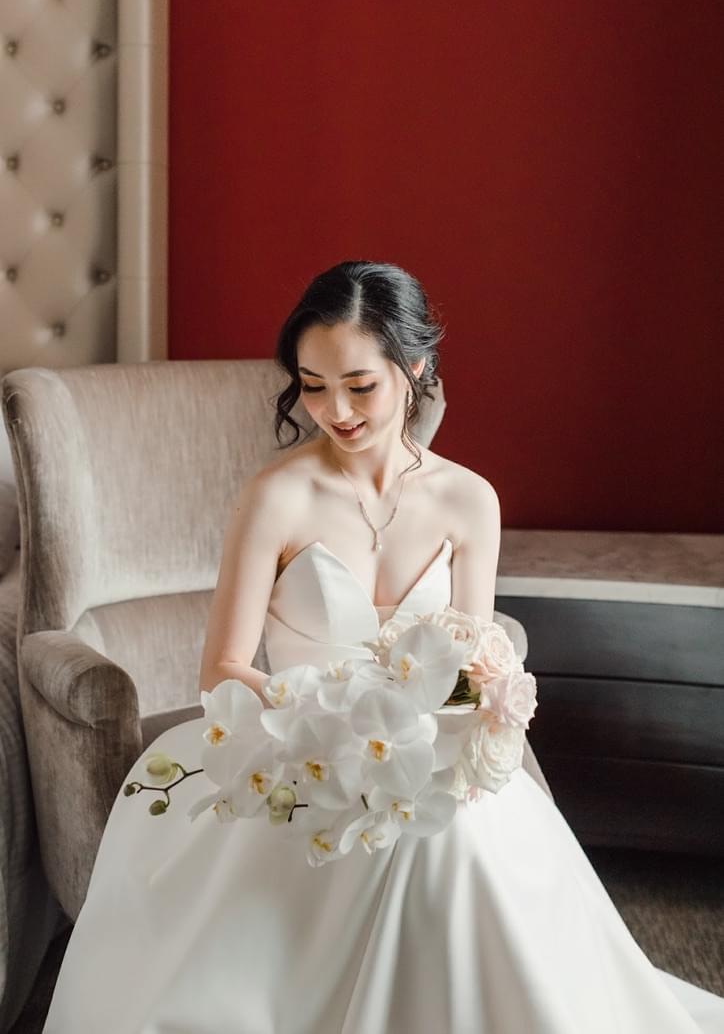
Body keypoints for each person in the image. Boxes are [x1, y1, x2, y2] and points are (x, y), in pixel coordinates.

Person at [43, 261, 724, 1033]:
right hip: (293, 751)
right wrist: (324, 734)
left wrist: (462, 728)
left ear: (416, 367)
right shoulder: (277, 496)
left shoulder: (470, 500)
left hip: (427, 761)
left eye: (360, 385)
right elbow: (223, 669)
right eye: (312, 384)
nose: (335, 410)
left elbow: (474, 656)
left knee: (451, 840)